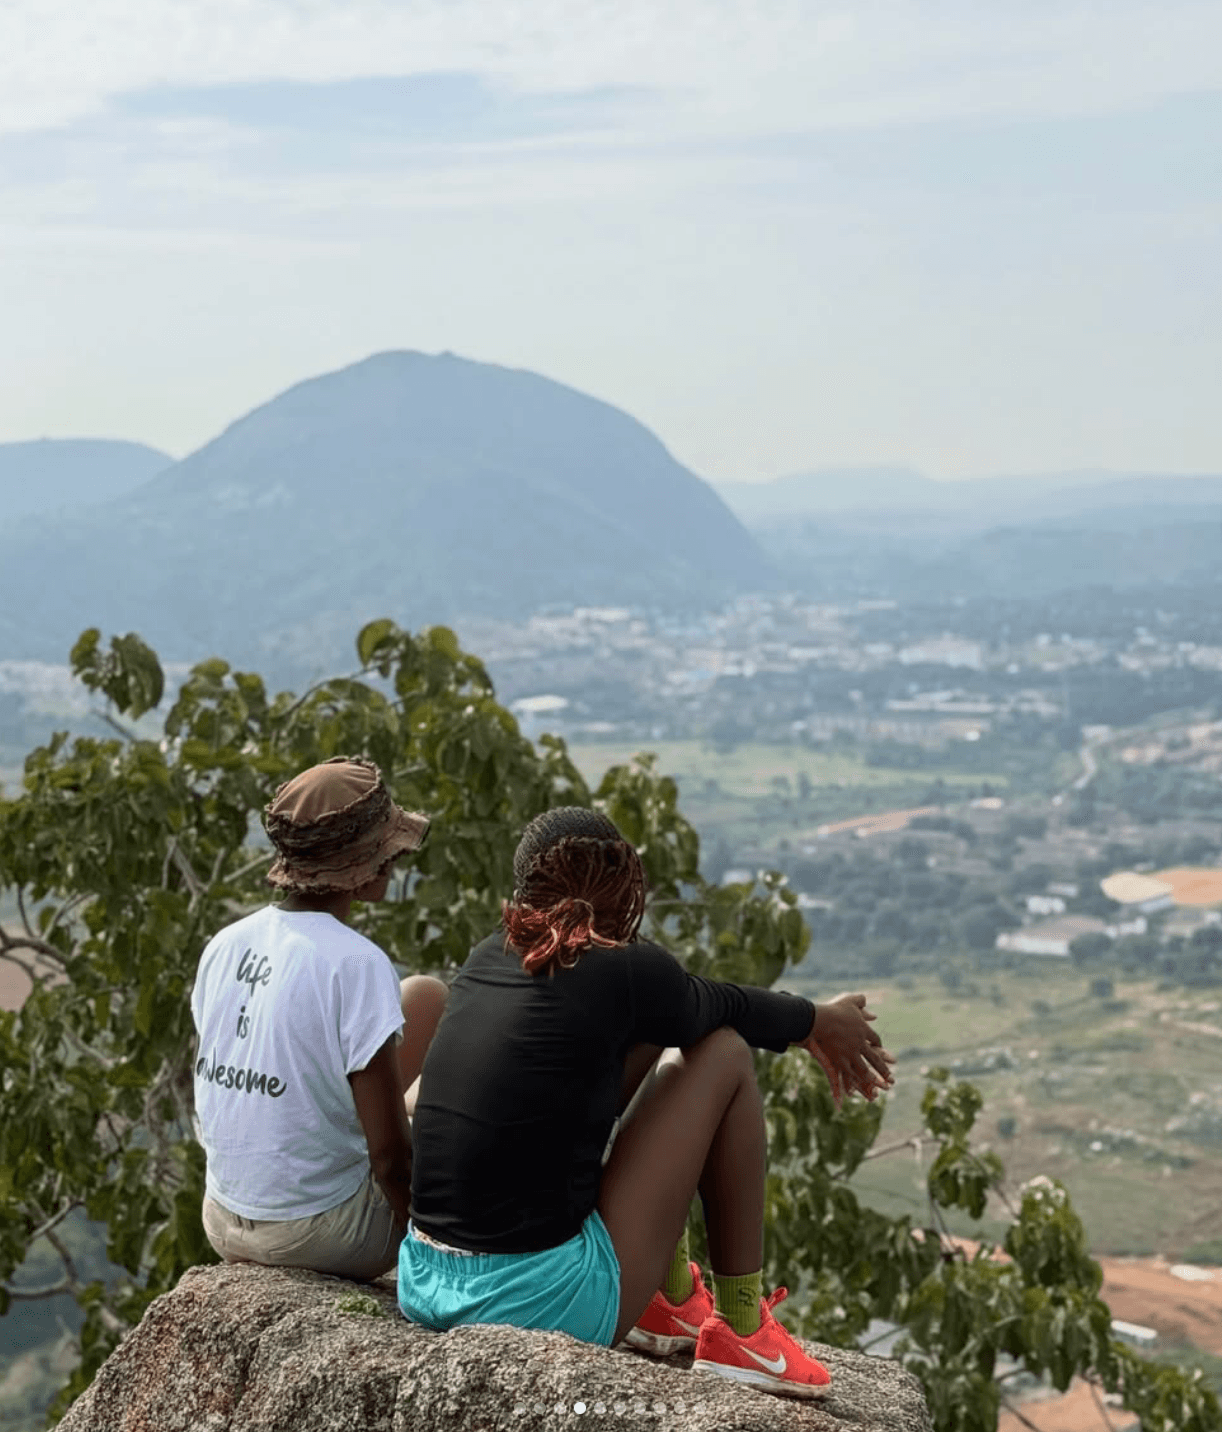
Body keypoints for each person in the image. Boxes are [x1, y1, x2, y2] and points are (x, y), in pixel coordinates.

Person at [399, 806, 894, 1399]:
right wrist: (818, 1019)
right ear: (621, 882)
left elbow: (683, 1007)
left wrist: (813, 1021)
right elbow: (723, 1009)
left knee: (658, 1027)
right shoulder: (625, 968)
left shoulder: (488, 956)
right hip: (534, 1302)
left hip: (424, 1280)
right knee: (725, 1053)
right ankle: (741, 1330)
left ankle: (671, 1301)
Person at [191, 756, 448, 1280]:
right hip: (318, 1234)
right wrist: (429, 1249)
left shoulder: (225, 944)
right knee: (443, 1121)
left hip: (221, 1220)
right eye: (388, 852)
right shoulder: (355, 962)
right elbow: (390, 1160)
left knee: (424, 996)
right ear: (366, 866)